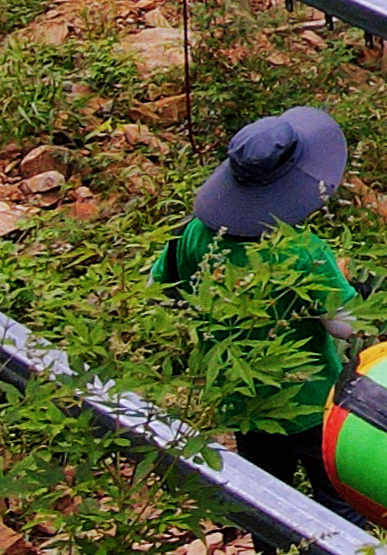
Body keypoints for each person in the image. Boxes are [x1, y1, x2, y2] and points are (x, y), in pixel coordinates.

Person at [151, 106, 360, 498]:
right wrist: (350, 288)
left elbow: (160, 284)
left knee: (267, 504)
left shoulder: (196, 234)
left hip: (242, 403)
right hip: (311, 403)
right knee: (338, 506)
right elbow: (345, 325)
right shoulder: (301, 250)